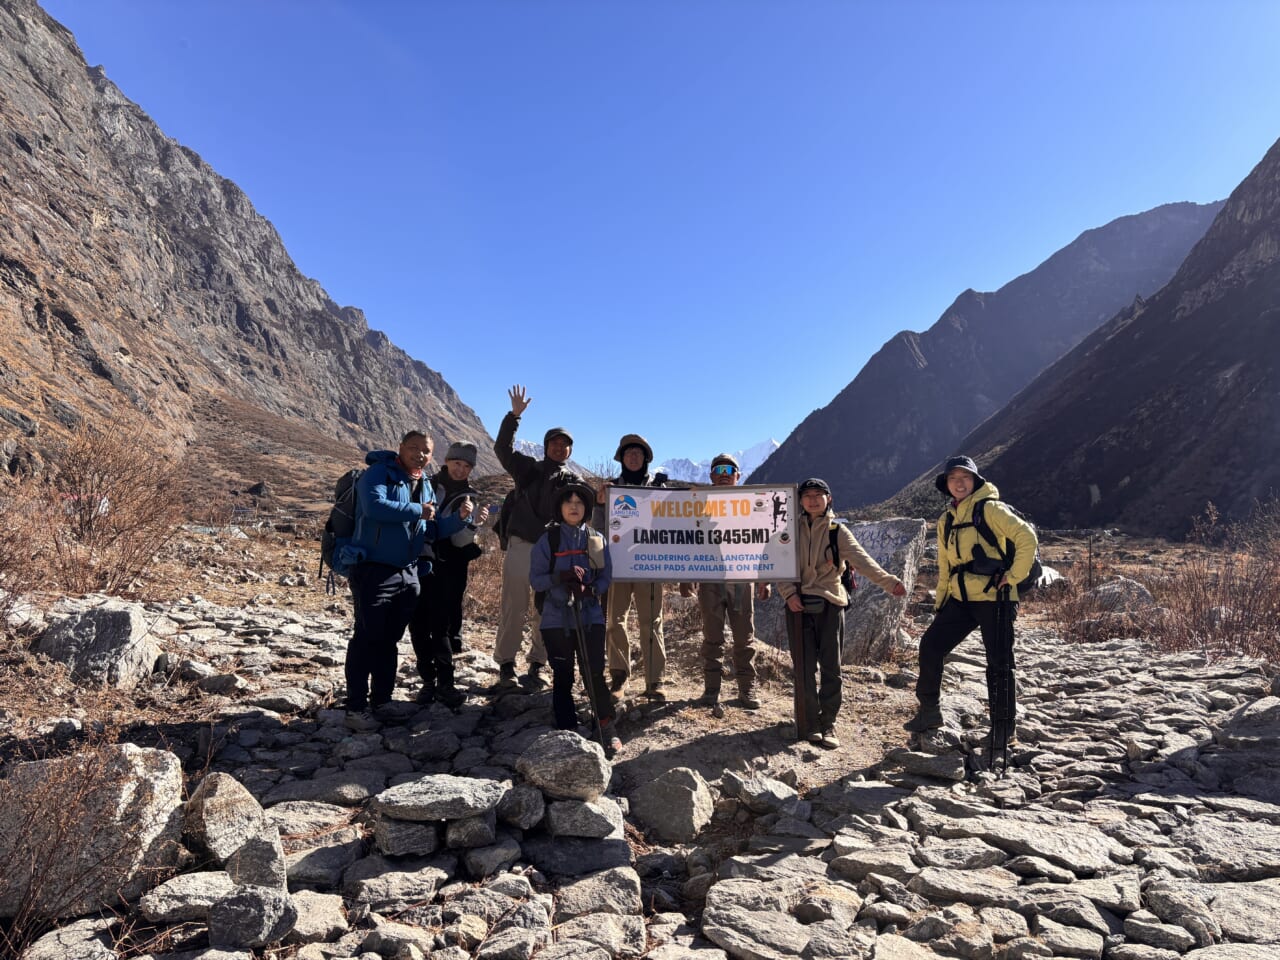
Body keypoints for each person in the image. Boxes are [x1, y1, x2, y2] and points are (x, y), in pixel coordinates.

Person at [903, 456, 1038, 734]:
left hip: (996, 599)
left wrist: (1012, 577)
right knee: (930, 647)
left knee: (999, 663)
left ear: (976, 481)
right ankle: (929, 712)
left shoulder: (991, 510)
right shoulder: (947, 520)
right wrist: (941, 602)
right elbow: (946, 566)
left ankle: (1004, 728)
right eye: (953, 478)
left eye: (965, 477)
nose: (959, 483)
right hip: (961, 599)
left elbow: (1027, 538)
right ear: (947, 484)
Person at [344, 431, 469, 727]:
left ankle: (382, 701)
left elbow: (432, 530)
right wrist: (417, 510)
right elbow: (374, 507)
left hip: (408, 572)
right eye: (413, 448)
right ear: (400, 448)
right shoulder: (378, 473)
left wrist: (461, 519)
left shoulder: (424, 483)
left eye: (425, 450)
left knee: (389, 640)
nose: (420, 454)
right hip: (374, 569)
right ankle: (356, 707)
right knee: (366, 637)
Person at [776, 477, 906, 749]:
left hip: (831, 605)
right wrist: (789, 594)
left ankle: (828, 722)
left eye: (818, 495)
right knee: (803, 667)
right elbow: (778, 563)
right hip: (797, 606)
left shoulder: (838, 533)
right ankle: (809, 722)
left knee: (831, 667)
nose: (812, 500)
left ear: (829, 499)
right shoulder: (788, 531)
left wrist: (889, 582)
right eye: (807, 495)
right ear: (799, 501)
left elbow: (863, 561)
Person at [493, 384, 581, 691]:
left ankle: (538, 665)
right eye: (555, 443)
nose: (560, 448)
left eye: (565, 445)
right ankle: (506, 665)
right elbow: (502, 450)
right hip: (522, 546)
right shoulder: (528, 468)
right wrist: (513, 417)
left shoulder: (574, 480)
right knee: (513, 606)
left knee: (548, 609)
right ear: (546, 446)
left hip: (554, 555)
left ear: (570, 450)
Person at [529, 482, 621, 756]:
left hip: (590, 616)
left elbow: (605, 576)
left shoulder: (596, 539)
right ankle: (566, 728)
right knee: (563, 674)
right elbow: (536, 579)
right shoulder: (549, 540)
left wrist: (590, 589)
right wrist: (561, 578)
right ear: (560, 508)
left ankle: (605, 726)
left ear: (586, 508)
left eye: (579, 502)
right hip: (556, 618)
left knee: (594, 672)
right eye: (568, 501)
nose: (573, 506)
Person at [680, 453, 768, 710]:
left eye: (730, 469)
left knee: (744, 637)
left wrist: (765, 579)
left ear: (738, 476)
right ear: (711, 475)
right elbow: (688, 539)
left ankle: (747, 688)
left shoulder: (751, 504)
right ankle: (711, 690)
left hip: (742, 579)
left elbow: (762, 542)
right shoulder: (699, 505)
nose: (723, 472)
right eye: (718, 468)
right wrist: (686, 576)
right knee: (712, 636)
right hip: (710, 580)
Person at [408, 441, 489, 709]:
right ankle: (428, 680)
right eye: (457, 463)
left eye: (467, 466)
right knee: (418, 625)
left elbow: (460, 542)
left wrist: (473, 523)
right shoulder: (424, 484)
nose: (461, 469)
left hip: (449, 569)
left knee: (440, 627)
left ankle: (445, 682)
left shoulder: (470, 497)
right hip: (418, 563)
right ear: (447, 461)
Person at [594, 434, 670, 700]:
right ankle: (619, 677)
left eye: (638, 453)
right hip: (619, 564)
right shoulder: (611, 489)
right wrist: (600, 504)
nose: (634, 457)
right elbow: (598, 529)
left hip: (651, 565)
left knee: (653, 621)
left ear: (646, 459)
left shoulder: (661, 490)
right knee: (615, 620)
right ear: (622, 459)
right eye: (629, 454)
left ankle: (655, 681)